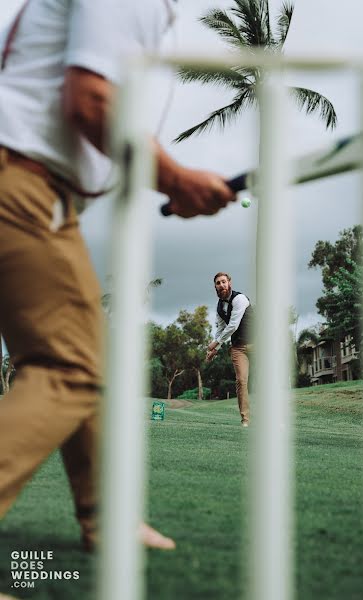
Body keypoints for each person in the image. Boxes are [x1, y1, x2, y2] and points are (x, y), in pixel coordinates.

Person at [0, 0, 235, 554]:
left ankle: (107, 522)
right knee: (71, 366)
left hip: (36, 193)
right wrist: (177, 180)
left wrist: (171, 182)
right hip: (20, 186)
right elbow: (91, 101)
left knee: (85, 359)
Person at [207, 273, 253, 427]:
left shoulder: (240, 299)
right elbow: (220, 328)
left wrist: (216, 343)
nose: (221, 285)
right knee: (241, 381)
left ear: (229, 283)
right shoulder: (219, 306)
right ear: (215, 287)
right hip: (238, 347)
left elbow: (233, 325)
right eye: (218, 283)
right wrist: (215, 349)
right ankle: (245, 419)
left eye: (224, 282)